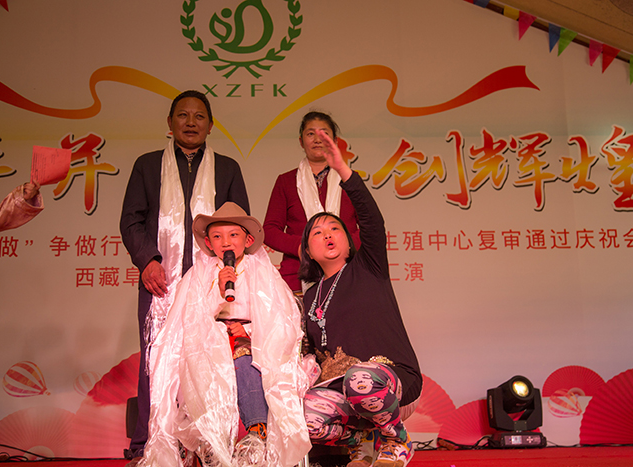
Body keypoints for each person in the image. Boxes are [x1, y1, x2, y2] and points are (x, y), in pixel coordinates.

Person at [119, 90, 250, 464]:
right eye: (182, 115)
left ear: (210, 125)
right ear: (169, 122)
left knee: (213, 361)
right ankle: (148, 445)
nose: (191, 122)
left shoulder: (227, 168)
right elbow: (131, 220)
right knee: (157, 361)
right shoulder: (147, 166)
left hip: (213, 283)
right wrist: (147, 261)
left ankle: (211, 443)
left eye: (199, 116)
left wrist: (226, 269)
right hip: (160, 281)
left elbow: (239, 224)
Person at [139, 203, 310, 467]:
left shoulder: (261, 270)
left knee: (245, 359)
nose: (226, 242)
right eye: (217, 236)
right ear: (208, 243)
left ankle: (257, 431)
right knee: (204, 365)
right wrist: (218, 293)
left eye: (233, 235)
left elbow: (279, 316)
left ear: (248, 240)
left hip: (250, 338)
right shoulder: (199, 273)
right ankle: (211, 439)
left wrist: (249, 330)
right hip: (210, 338)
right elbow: (191, 316)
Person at [298, 130, 422, 467]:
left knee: (361, 379)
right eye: (318, 232)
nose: (327, 235)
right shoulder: (310, 297)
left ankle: (397, 440)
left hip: (392, 383)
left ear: (348, 240)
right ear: (307, 249)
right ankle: (361, 442)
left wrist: (343, 171)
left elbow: (372, 220)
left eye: (334, 229)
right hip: (343, 390)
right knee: (299, 416)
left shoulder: (368, 266)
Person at [263, 111, 360, 292]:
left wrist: (346, 246)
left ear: (335, 141)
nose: (317, 139)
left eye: (324, 133)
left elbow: (370, 227)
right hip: (298, 273)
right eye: (310, 134)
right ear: (301, 141)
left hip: (349, 269)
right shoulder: (286, 181)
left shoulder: (350, 180)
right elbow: (269, 230)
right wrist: (302, 247)